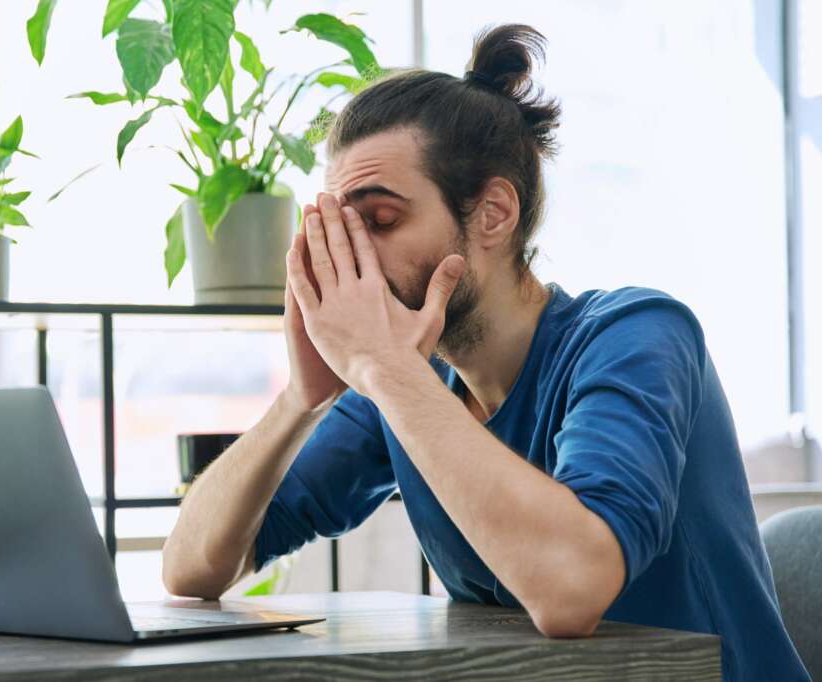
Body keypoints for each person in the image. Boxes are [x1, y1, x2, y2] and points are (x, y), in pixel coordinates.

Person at [162, 23, 809, 681]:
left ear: (494, 213)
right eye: (341, 229)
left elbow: (572, 589)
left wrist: (384, 369)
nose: (354, 261)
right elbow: (193, 569)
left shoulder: (635, 335)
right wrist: (304, 398)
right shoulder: (408, 384)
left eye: (381, 222)